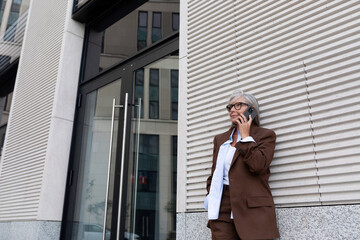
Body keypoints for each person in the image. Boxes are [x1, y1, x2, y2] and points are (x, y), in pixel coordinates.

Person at [203, 89, 280, 240]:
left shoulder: (265, 135)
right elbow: (215, 171)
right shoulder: (220, 139)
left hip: (251, 207)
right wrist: (210, 194)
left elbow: (258, 165)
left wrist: (245, 138)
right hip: (222, 205)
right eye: (230, 107)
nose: (232, 109)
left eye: (238, 105)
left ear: (252, 110)